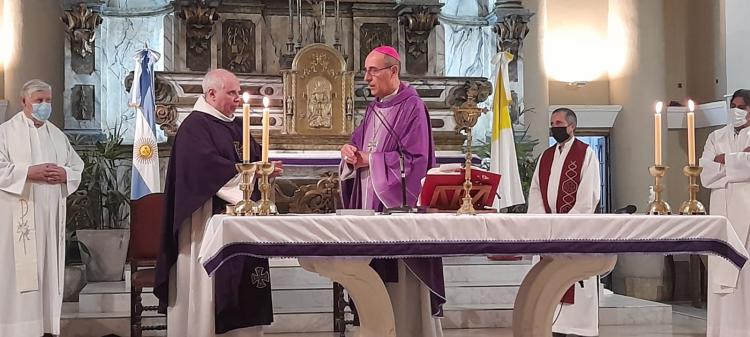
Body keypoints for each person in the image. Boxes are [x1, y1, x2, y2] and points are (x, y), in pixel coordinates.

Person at [154, 69, 282, 337]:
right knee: (208, 292)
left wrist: (266, 170)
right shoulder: (194, 127)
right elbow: (203, 170)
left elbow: (255, 160)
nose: (238, 98)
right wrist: (253, 171)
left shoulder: (236, 125)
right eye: (232, 93)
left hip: (241, 224)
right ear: (211, 94)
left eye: (238, 93)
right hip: (206, 224)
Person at [339, 46, 445, 337]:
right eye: (365, 71)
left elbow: (417, 161)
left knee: (401, 288)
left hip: (397, 211)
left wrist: (370, 161)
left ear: (393, 71)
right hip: (368, 209)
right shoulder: (374, 108)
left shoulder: (413, 107)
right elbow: (360, 149)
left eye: (373, 71)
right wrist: (349, 153)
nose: (367, 78)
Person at [0, 79, 84, 337]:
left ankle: (46, 327)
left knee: (45, 273)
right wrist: (28, 173)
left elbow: (76, 167)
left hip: (49, 221)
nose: (44, 105)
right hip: (18, 221)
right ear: (24, 101)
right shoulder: (5, 133)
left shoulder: (57, 135)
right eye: (39, 100)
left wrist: (64, 174)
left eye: (48, 101)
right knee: (19, 276)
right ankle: (15, 329)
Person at [527, 107, 601, 337]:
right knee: (547, 285)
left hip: (574, 232)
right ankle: (552, 327)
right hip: (549, 231)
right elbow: (536, 191)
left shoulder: (586, 153)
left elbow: (589, 194)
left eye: (559, 123)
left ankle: (577, 330)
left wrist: (568, 223)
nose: (554, 127)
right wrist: (543, 221)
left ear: (572, 126)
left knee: (576, 287)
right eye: (552, 123)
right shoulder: (546, 156)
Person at [700, 89, 750, 337]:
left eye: (742, 106)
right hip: (721, 211)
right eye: (733, 105)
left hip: (747, 210)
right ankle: (721, 330)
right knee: (722, 268)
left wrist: (724, 161)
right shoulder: (716, 136)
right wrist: (738, 161)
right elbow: (706, 175)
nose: (737, 111)